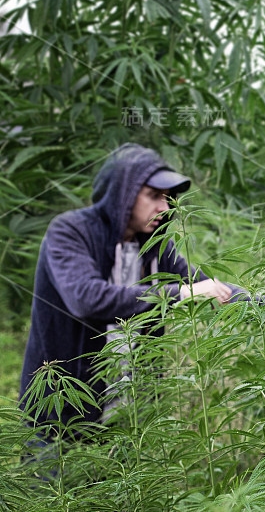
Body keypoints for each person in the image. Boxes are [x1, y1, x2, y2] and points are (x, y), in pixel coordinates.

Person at [19, 143, 245, 430]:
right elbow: (86, 299)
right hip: (61, 412)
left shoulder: (155, 247)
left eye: (168, 198)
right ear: (121, 194)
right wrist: (180, 294)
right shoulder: (70, 231)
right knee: (56, 474)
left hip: (130, 414)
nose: (164, 207)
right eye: (153, 196)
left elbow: (208, 286)